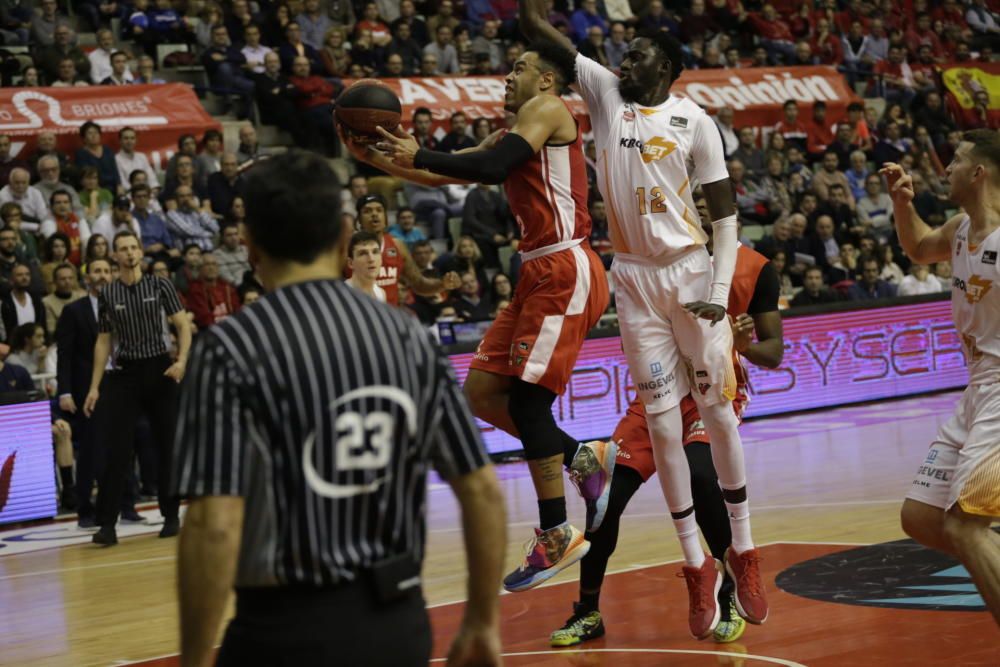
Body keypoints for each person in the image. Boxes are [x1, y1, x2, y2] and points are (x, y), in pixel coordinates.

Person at [171, 151, 504, 667]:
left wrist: (193, 660)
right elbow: (481, 488)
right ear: (345, 234)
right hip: (396, 623)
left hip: (283, 631)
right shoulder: (407, 338)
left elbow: (214, 524)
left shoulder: (229, 347)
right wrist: (481, 622)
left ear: (252, 242)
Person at [519, 0, 766, 638]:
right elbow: (540, 35)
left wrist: (717, 283)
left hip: (688, 273)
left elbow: (726, 213)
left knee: (714, 414)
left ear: (669, 68)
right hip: (632, 276)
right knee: (658, 422)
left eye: (638, 54)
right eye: (622, 54)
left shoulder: (695, 122)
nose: (624, 59)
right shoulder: (605, 92)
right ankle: (695, 568)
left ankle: (743, 549)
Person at [368, 35, 611, 594]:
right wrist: (380, 158)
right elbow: (456, 172)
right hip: (536, 273)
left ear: (547, 80)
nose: (509, 76)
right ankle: (582, 456)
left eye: (520, 67)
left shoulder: (549, 110)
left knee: (529, 402)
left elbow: (491, 164)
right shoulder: (521, 131)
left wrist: (419, 153)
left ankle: (557, 533)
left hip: (564, 266)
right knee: (479, 392)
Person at [884, 130, 1000, 627]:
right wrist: (901, 203)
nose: (945, 167)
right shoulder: (958, 228)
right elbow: (917, 248)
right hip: (976, 387)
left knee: (966, 526)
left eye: (956, 160)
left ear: (979, 173)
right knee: (922, 517)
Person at [83, 230, 192, 546]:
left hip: (160, 368)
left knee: (167, 445)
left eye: (133, 247)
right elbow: (103, 340)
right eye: (122, 249)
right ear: (114, 256)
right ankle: (107, 525)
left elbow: (182, 325)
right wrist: (94, 387)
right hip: (125, 372)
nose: (129, 253)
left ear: (141, 252)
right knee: (116, 449)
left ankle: (171, 516)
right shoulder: (108, 294)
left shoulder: (160, 284)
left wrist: (182, 360)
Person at [344, 194, 461, 307]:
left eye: (379, 210)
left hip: (390, 319)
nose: (374, 214)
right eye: (368, 211)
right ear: (358, 219)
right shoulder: (346, 248)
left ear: (385, 217)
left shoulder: (397, 245)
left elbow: (419, 284)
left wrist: (442, 284)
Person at [186, 252, 240, 328]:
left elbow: (237, 310)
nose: (211, 267)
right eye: (207, 264)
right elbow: (204, 318)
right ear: (200, 269)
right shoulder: (195, 289)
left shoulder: (226, 286)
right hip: (211, 330)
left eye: (214, 264)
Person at [166, 186, 219, 251]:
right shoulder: (171, 214)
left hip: (209, 251)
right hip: (188, 254)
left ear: (193, 197)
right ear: (176, 199)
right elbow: (189, 231)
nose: (186, 199)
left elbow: (215, 228)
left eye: (189, 195)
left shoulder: (198, 211)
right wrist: (210, 234)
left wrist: (197, 209)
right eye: (182, 196)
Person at [1, 263, 44, 341]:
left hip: (36, 346)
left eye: (27, 274)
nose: (24, 278)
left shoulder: (36, 301)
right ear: (11, 280)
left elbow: (42, 325)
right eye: (19, 275)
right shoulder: (5, 303)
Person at [42, 263, 85, 338]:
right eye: (63, 279)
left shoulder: (81, 298)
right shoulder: (46, 302)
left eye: (70, 278)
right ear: (55, 281)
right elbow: (51, 331)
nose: (67, 281)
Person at [345, 230, 386, 302]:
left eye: (375, 252)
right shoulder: (341, 295)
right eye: (363, 253)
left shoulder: (381, 294)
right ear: (350, 263)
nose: (371, 259)